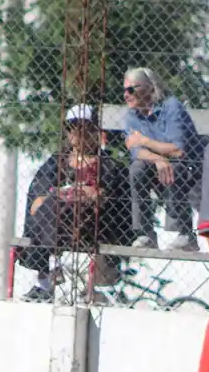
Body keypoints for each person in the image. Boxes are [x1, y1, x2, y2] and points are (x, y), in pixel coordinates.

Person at [18, 104, 132, 303]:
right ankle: (51, 269)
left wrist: (64, 194)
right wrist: (69, 193)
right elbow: (37, 198)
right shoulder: (58, 161)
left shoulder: (105, 164)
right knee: (52, 205)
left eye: (82, 127)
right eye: (71, 127)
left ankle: (45, 280)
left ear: (93, 130)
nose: (75, 133)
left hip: (89, 225)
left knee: (53, 203)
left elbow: (99, 196)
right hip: (56, 222)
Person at [122, 67, 202, 251]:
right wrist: (158, 159)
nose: (127, 95)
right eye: (125, 90)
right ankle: (145, 234)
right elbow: (136, 152)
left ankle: (184, 235)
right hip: (158, 166)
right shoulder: (132, 115)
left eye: (132, 89)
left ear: (150, 87)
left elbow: (178, 151)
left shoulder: (171, 107)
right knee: (137, 168)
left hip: (190, 169)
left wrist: (144, 140)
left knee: (175, 165)